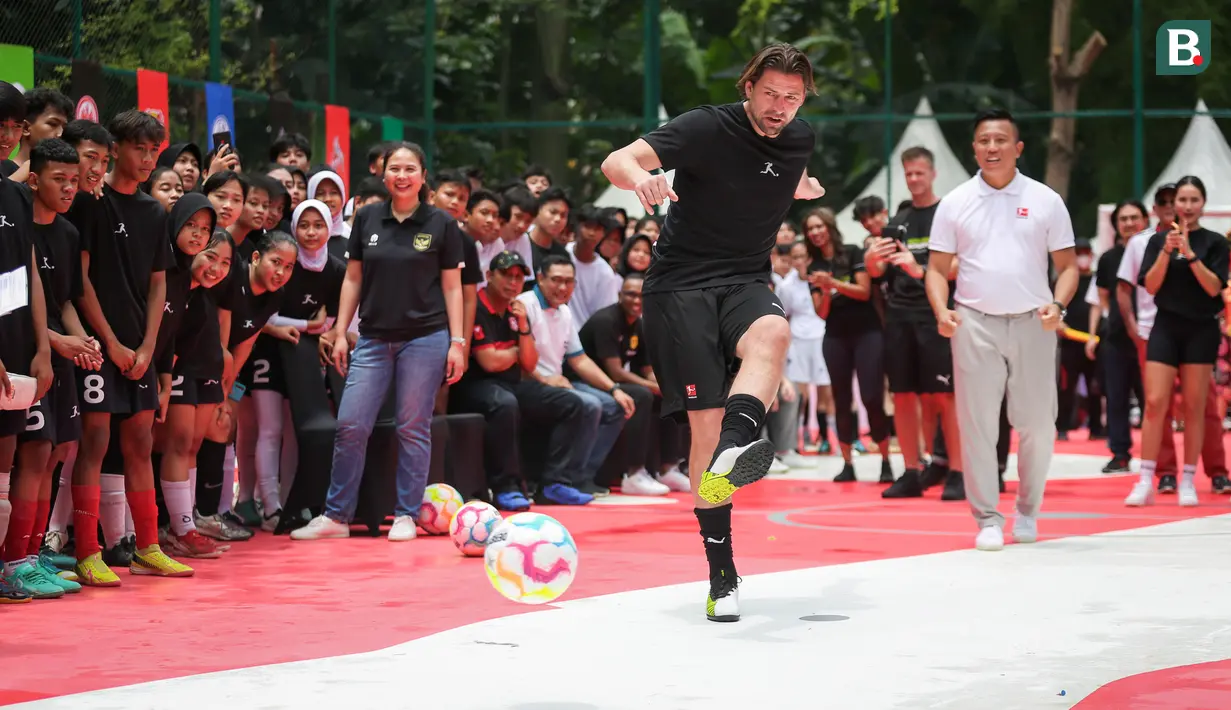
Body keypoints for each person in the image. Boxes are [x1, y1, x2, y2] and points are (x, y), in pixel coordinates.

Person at [601, 43, 825, 622]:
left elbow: (782, 173)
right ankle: (721, 573)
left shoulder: (800, 139)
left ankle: (738, 441)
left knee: (773, 333)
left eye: (793, 99)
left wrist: (802, 187)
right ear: (749, 86)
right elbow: (617, 162)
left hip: (746, 278)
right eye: (771, 94)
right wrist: (641, 181)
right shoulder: (704, 127)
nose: (780, 108)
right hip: (679, 288)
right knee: (703, 430)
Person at [292, 141, 466, 542]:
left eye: (410, 169)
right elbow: (353, 278)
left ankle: (406, 513)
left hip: (425, 337)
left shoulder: (441, 224)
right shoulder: (367, 218)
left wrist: (456, 341)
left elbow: (453, 288)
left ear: (423, 177)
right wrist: (339, 330)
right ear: (383, 175)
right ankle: (336, 516)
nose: (402, 176)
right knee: (351, 423)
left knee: (412, 426)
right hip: (371, 338)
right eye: (394, 169)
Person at [926, 108, 1077, 552]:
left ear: (1018, 147)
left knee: (1038, 424)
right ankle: (988, 518)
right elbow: (935, 271)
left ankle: (1027, 511)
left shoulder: (1046, 199)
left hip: (1034, 321)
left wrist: (1059, 305)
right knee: (977, 424)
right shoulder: (954, 203)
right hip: (973, 322)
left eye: (1000, 140)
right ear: (974, 148)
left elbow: (1067, 268)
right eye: (983, 141)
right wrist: (941, 310)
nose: (992, 148)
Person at [72, 109, 187, 584]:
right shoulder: (89, 204)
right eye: (137, 148)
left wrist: (147, 347)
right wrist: (114, 344)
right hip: (99, 346)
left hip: (140, 347)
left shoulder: (153, 211)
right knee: (94, 443)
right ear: (115, 148)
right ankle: (85, 551)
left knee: (140, 443)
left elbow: (160, 285)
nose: (145, 158)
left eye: (152, 150)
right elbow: (80, 280)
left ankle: (148, 546)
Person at [1, 138, 90, 599]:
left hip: (47, 360)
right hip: (23, 355)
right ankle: (13, 560)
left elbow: (57, 299)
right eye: (60, 179)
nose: (70, 188)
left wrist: (77, 343)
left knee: (53, 450)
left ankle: (29, 555)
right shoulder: (16, 217)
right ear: (33, 179)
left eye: (74, 180)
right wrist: (54, 342)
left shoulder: (68, 233)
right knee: (27, 456)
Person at [1124, 176, 1229, 508]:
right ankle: (1146, 478)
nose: (1186, 206)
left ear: (1202, 203)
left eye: (1193, 199)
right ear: (1172, 206)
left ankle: (1187, 478)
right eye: (1181, 200)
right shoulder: (1157, 241)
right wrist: (1168, 252)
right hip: (1165, 327)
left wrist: (1191, 254)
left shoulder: (1215, 243)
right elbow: (1150, 286)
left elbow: (1215, 288)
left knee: (1197, 406)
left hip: (1201, 329)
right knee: (1154, 403)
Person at [868, 147, 964, 499]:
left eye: (919, 173)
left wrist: (918, 269)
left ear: (933, 174)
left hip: (934, 314)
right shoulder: (900, 217)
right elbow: (878, 271)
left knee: (943, 396)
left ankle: (957, 471)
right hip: (899, 315)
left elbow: (960, 265)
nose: (913, 179)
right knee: (903, 394)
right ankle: (911, 470)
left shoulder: (947, 214)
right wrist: (872, 259)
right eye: (908, 174)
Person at [805, 207, 890, 482]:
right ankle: (847, 463)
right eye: (810, 229)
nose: (815, 232)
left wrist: (832, 283)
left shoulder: (853, 252)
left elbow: (864, 292)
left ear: (829, 227)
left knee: (871, 396)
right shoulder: (813, 267)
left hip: (867, 332)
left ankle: (886, 460)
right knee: (841, 400)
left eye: (819, 226)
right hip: (835, 335)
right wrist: (827, 291)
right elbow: (822, 312)